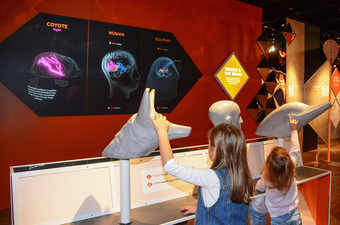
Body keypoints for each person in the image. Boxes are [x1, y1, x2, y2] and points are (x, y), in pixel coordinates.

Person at [150, 112, 254, 224]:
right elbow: (230, 209)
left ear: (215, 150)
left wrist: (162, 132)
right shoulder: (243, 175)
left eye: (208, 144)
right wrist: (201, 209)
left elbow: (170, 166)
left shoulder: (211, 177)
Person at [249, 116, 302, 225]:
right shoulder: (291, 166)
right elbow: (295, 150)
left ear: (269, 162)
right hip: (294, 215)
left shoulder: (267, 176)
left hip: (277, 218)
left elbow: (259, 187)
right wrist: (294, 130)